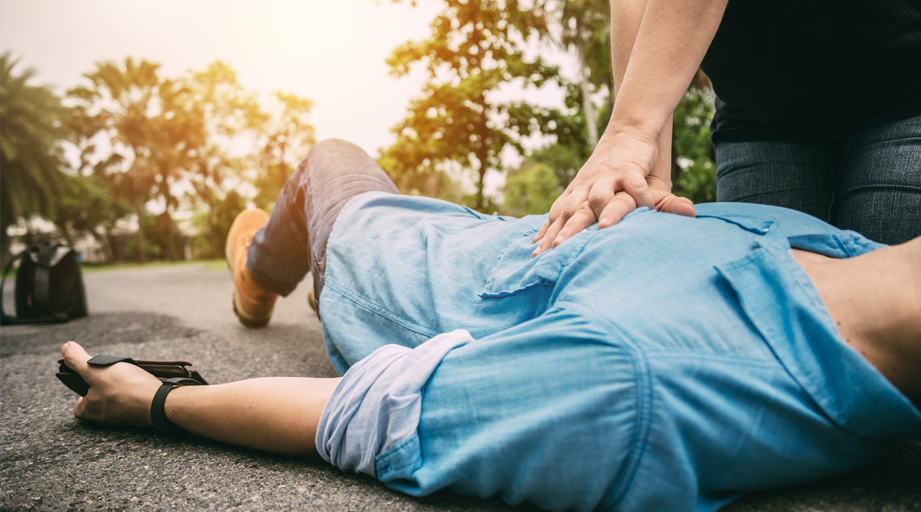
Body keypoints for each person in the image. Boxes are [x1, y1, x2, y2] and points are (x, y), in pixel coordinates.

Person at [62, 140, 921, 512]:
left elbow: (368, 414)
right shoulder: (837, 246)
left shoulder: (636, 382)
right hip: (492, 236)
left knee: (327, 161)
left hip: (379, 261)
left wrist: (156, 403)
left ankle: (256, 277)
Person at [533, 0, 921, 256]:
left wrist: (630, 131)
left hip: (903, 89)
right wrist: (646, 169)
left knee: (885, 310)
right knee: (765, 314)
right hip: (759, 112)